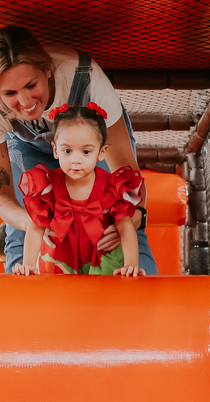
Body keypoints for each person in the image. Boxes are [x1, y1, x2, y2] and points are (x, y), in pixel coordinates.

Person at [0, 26, 157, 274]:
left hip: (89, 139)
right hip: (27, 145)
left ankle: (139, 305)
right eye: (10, 93)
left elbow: (128, 179)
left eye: (30, 85)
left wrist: (133, 219)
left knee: (119, 224)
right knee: (23, 235)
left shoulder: (86, 79)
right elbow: (1, 195)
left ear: (46, 70)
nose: (25, 102)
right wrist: (31, 222)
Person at [15, 103, 144, 276]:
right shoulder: (47, 185)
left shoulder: (111, 186)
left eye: (86, 152)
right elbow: (36, 226)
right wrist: (29, 264)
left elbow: (125, 225)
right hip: (61, 258)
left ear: (101, 152)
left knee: (101, 299)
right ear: (55, 150)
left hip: (101, 258)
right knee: (59, 298)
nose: (75, 160)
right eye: (67, 151)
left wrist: (130, 264)